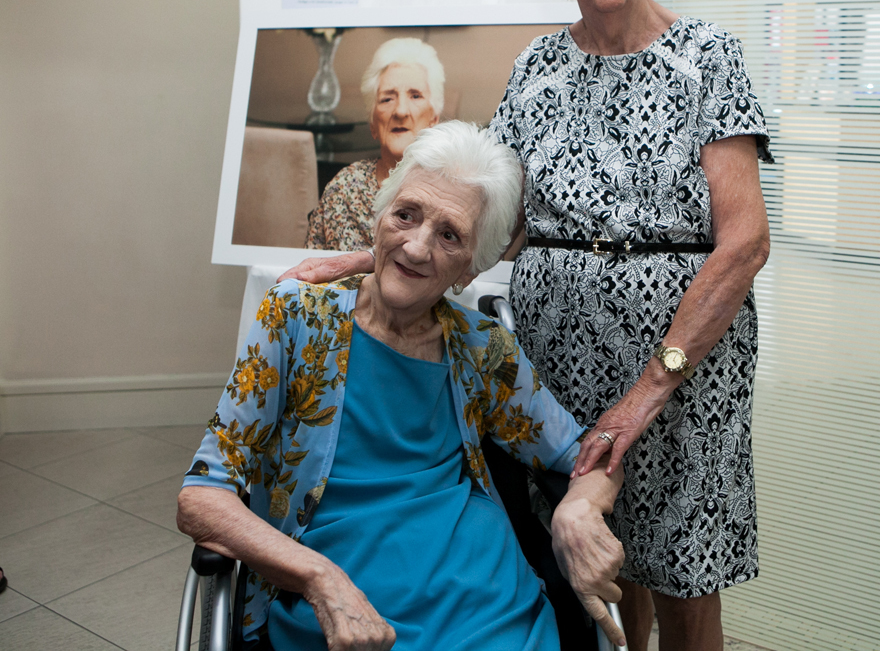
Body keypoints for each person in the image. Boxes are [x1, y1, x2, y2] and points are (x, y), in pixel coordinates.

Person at [283, 0, 772, 651]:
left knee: (683, 578)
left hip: (686, 370)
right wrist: (374, 260)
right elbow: (492, 217)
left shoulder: (707, 57)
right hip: (563, 363)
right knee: (596, 572)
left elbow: (745, 243)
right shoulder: (538, 66)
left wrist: (650, 390)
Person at [181, 121, 627, 651]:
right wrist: (319, 579)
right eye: (406, 215)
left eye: (449, 234)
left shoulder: (481, 348)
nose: (415, 248)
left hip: (486, 602)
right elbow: (201, 498)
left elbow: (589, 456)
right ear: (378, 219)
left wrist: (579, 506)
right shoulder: (296, 317)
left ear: (470, 267)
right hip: (339, 602)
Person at [305, 37, 444, 250]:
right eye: (387, 99)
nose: (400, 111)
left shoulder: (452, 193)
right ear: (373, 124)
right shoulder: (344, 189)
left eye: (415, 96)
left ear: (434, 119)